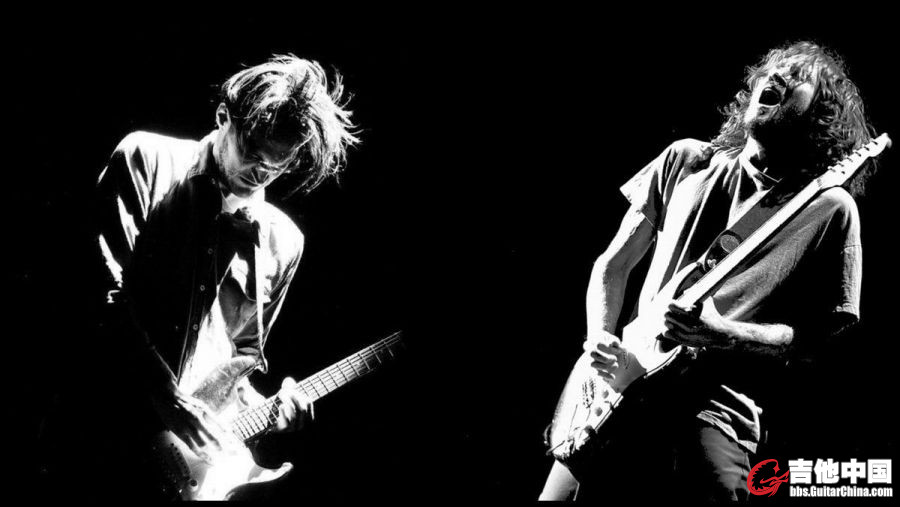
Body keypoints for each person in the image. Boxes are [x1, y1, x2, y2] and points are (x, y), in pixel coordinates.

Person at [540, 41, 874, 502]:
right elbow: (611, 265)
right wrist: (599, 336)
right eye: (774, 69)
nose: (777, 76)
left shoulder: (829, 207)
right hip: (613, 394)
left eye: (799, 77)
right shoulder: (687, 160)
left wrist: (726, 334)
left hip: (711, 415)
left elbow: (821, 340)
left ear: (821, 115)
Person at [40, 54, 359, 499]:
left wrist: (271, 411)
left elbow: (238, 364)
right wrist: (168, 399)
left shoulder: (284, 242)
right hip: (96, 433)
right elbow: (102, 293)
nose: (260, 173)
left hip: (181, 477)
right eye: (252, 152)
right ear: (223, 116)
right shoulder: (147, 159)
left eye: (278, 164)